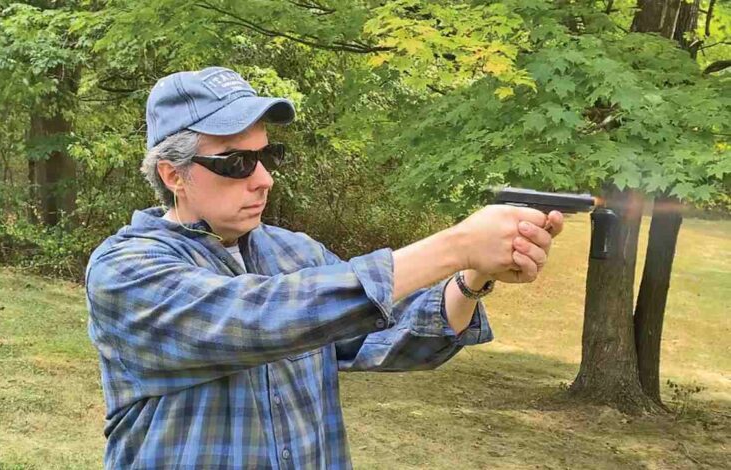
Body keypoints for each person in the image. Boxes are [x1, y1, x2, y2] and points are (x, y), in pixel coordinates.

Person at [85, 66, 564, 469]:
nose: (264, 179)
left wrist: (474, 274)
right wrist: (455, 245)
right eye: (238, 163)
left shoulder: (296, 253)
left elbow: (392, 341)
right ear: (174, 175)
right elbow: (258, 319)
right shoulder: (125, 270)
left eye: (268, 156)